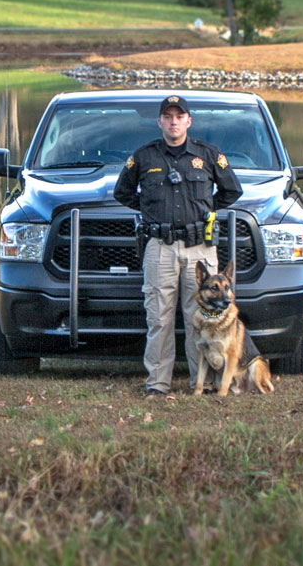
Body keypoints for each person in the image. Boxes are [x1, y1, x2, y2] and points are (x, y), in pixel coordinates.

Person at [113, 95, 242, 398]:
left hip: (200, 247)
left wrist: (205, 208)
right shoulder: (144, 157)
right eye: (167, 116)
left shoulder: (207, 155)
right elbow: (123, 192)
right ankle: (158, 384)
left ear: (188, 121)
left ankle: (204, 383)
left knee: (204, 317)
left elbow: (231, 190)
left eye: (179, 116)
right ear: (159, 121)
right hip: (160, 247)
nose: (173, 121)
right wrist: (150, 211)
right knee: (159, 317)